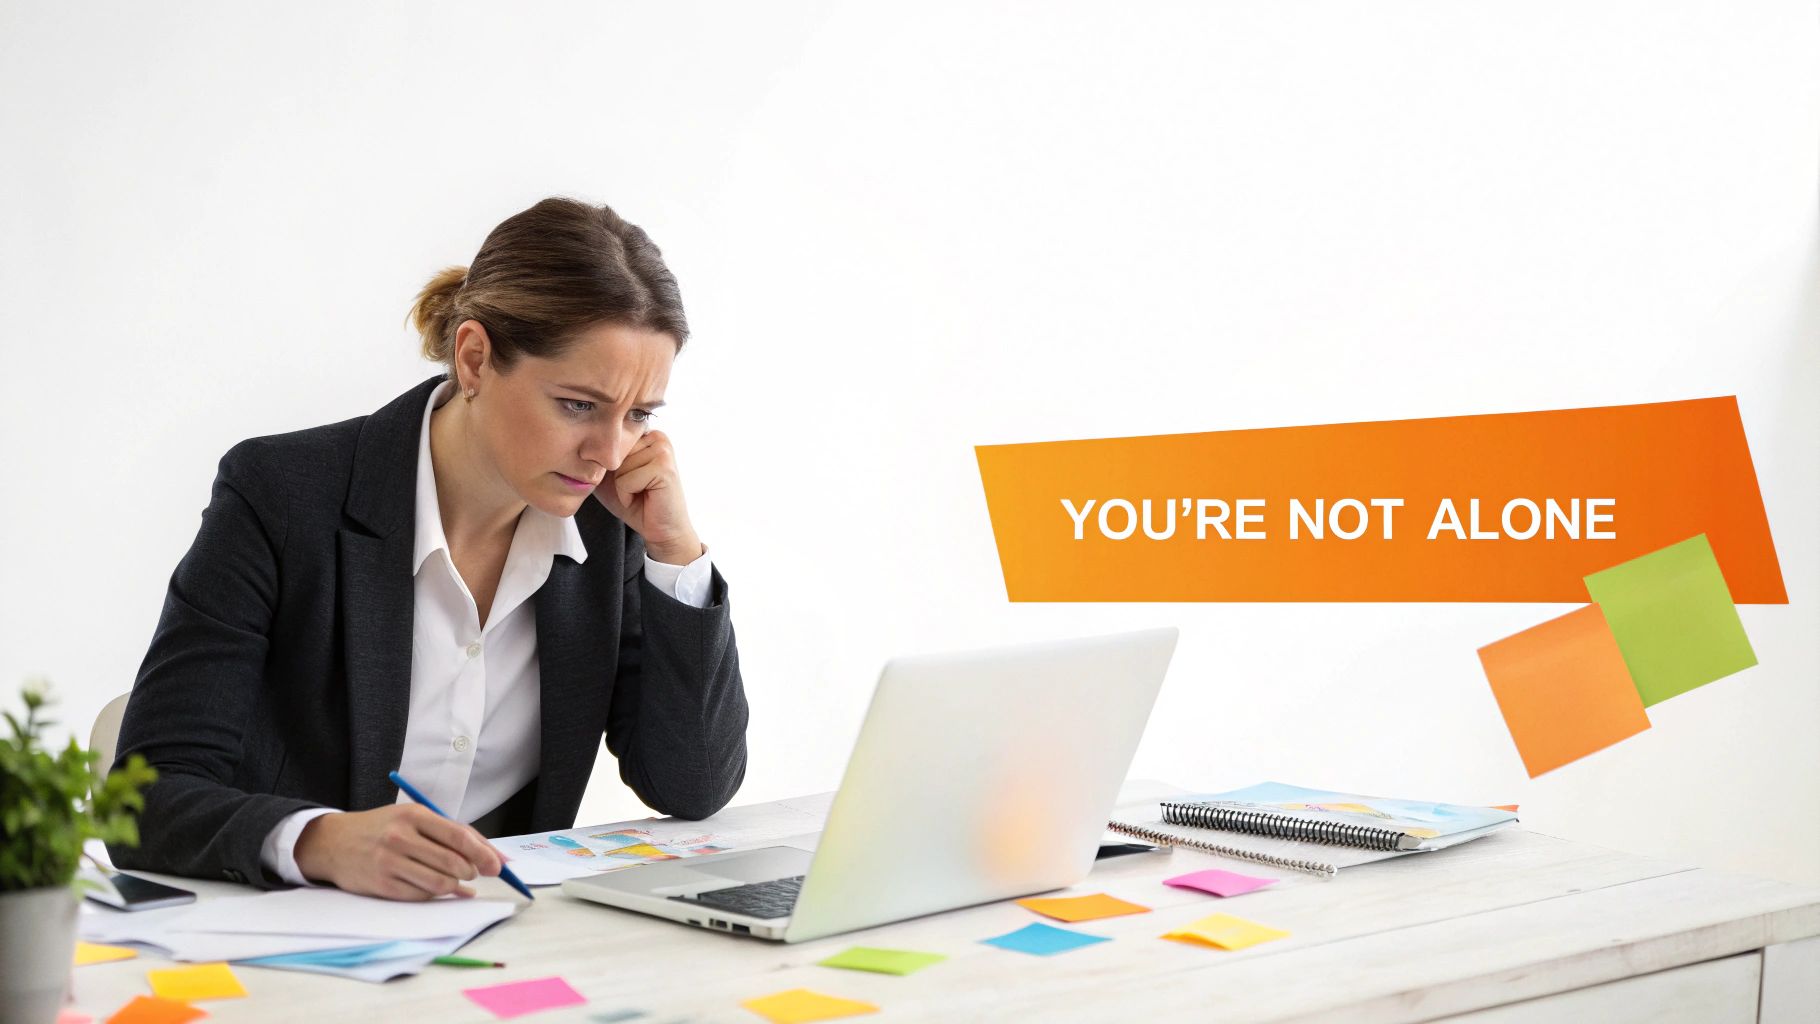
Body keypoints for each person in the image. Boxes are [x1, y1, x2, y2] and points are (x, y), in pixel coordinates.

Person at [108, 197, 748, 900]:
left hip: (488, 943)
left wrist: (675, 551)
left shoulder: (609, 528)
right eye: (577, 405)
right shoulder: (282, 496)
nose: (609, 451)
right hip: (287, 946)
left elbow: (691, 784)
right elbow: (145, 800)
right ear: (475, 359)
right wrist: (320, 839)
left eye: (639, 416)